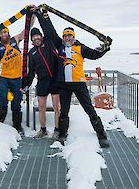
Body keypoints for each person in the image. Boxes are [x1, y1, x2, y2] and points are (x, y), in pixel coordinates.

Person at [45, 16, 110, 148]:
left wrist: (105, 47)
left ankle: (101, 134)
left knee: (89, 109)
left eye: (70, 35)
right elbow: (50, 31)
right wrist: (44, 16)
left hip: (78, 83)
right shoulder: (60, 46)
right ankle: (63, 134)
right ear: (63, 38)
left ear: (73, 37)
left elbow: (94, 54)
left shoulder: (80, 48)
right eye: (65, 36)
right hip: (64, 84)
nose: (67, 38)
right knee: (64, 110)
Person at [23, 24, 61, 140]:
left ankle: (57, 129)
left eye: (37, 36)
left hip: (54, 80)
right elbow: (31, 72)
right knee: (41, 106)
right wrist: (25, 85)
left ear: (41, 36)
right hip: (42, 81)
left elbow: (48, 29)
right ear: (32, 40)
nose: (36, 38)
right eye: (33, 37)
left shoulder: (49, 43)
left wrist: (40, 15)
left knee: (56, 106)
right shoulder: (32, 52)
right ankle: (43, 130)